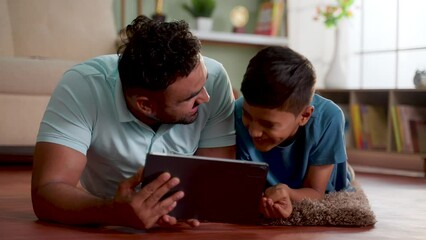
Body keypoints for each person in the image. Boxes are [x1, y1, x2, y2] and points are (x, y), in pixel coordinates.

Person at [31, 15, 236, 230]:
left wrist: (191, 205)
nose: (206, 97)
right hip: (104, 220)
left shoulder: (214, 78)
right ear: (145, 105)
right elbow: (47, 191)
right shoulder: (83, 86)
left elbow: (216, 182)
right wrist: (114, 211)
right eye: (191, 97)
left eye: (203, 85)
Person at [235, 46, 354, 219]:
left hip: (312, 175)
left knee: (343, 177)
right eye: (247, 115)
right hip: (275, 175)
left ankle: (341, 166)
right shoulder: (236, 111)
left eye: (268, 124)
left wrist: (288, 193)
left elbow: (316, 192)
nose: (253, 132)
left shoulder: (329, 118)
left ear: (305, 115)